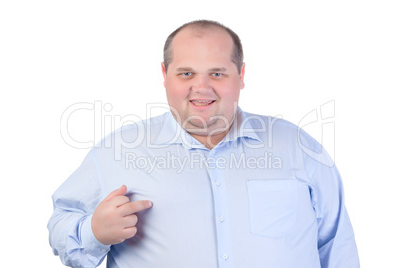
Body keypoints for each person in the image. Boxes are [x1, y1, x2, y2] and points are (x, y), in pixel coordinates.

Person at [48, 20, 360, 268]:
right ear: (165, 75)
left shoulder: (298, 147)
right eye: (186, 73)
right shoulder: (116, 152)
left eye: (217, 73)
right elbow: (61, 226)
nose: (202, 87)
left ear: (241, 75)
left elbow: (336, 245)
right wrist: (94, 233)